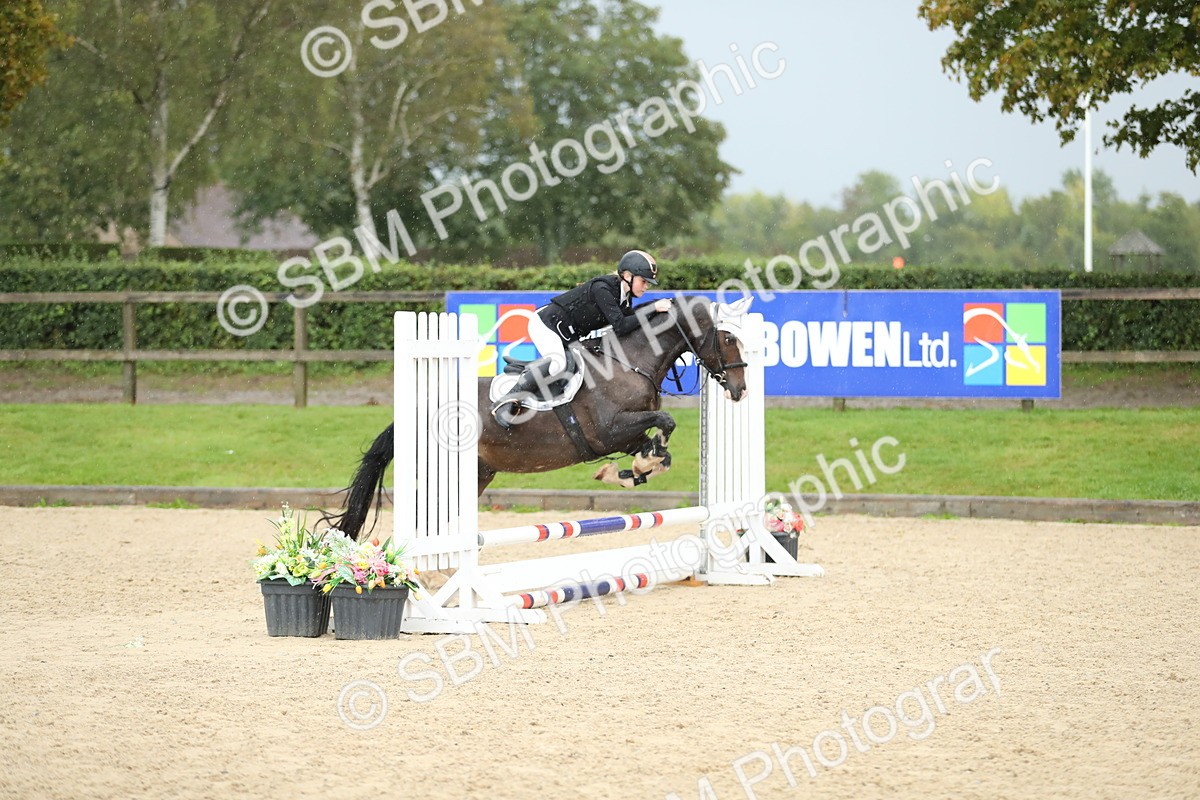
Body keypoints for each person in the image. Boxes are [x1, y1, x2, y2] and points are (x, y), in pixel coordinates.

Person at [491, 249, 673, 427]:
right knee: (557, 364)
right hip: (546, 325)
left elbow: (630, 319)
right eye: (643, 281)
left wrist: (655, 308)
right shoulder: (603, 289)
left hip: (567, 334)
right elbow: (622, 326)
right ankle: (505, 401)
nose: (646, 286)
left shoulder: (624, 296)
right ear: (627, 275)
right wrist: (653, 308)